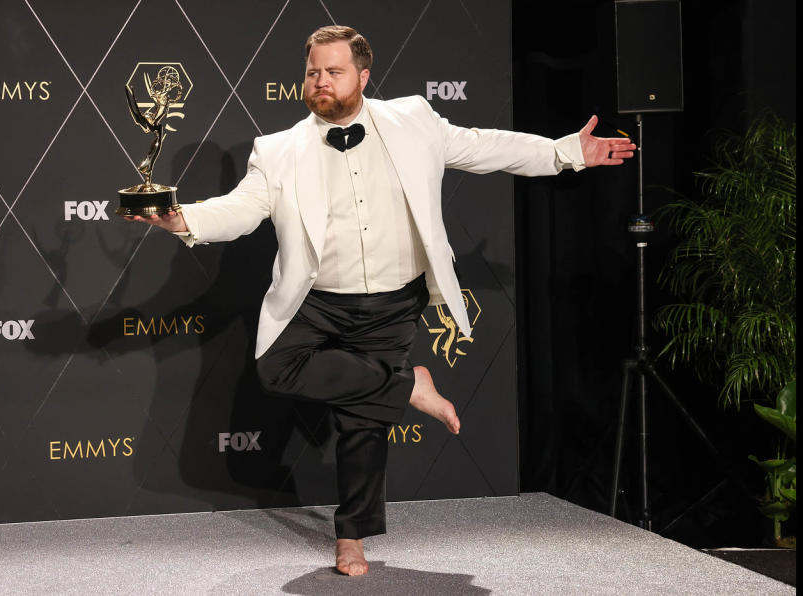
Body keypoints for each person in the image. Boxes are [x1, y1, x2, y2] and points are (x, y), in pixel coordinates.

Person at [126, 25, 635, 576]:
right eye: (313, 71)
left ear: (363, 77)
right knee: (276, 369)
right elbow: (239, 210)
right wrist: (182, 219)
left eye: (334, 70)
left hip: (393, 303)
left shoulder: (413, 121)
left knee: (363, 421)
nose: (320, 81)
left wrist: (565, 152)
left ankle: (353, 538)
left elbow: (485, 147)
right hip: (316, 302)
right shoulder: (277, 152)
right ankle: (407, 385)